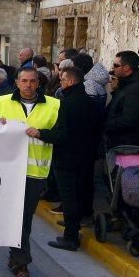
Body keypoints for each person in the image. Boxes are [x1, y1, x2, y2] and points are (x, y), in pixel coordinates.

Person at [0, 67, 65, 277]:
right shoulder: (3, 101)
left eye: (32, 81)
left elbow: (62, 135)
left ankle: (20, 262)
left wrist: (41, 133)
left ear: (38, 83)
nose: (28, 85)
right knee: (15, 218)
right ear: (17, 82)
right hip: (8, 171)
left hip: (35, 173)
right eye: (24, 81)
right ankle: (19, 261)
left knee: (24, 218)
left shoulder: (54, 105)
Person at [46, 67, 99, 251]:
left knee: (69, 196)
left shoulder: (66, 103)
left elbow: (61, 134)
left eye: (62, 80)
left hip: (67, 158)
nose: (60, 82)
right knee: (78, 193)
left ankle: (70, 237)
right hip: (86, 156)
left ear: (70, 81)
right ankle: (72, 225)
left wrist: (41, 134)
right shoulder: (91, 102)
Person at [104, 51, 139, 149]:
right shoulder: (125, 84)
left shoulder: (134, 89)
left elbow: (129, 119)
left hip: (126, 145)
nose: (112, 68)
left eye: (116, 65)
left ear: (126, 68)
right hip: (119, 141)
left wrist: (104, 125)